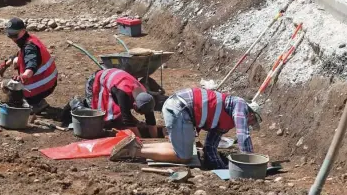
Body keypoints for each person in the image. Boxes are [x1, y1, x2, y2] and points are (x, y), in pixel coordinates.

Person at [110, 88, 262, 170]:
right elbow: (243, 136)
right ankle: (134, 150)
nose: (249, 123)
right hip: (180, 109)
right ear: (251, 113)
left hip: (179, 108)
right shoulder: (240, 105)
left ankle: (138, 144)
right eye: (252, 120)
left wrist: (220, 167)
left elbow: (210, 147)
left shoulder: (226, 120)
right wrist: (251, 164)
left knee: (181, 147)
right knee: (184, 156)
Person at [63, 68, 158, 138]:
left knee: (116, 117)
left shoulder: (146, 98)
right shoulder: (123, 94)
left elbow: (151, 121)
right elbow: (127, 119)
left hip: (115, 82)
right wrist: (140, 139)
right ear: (134, 105)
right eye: (140, 112)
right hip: (97, 80)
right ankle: (76, 103)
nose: (141, 114)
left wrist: (155, 139)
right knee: (96, 115)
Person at [0, 17, 58, 114]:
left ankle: (34, 103)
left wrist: (24, 76)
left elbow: (31, 63)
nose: (12, 38)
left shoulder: (29, 47)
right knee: (16, 62)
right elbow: (19, 56)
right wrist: (6, 64)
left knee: (6, 85)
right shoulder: (30, 40)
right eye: (10, 35)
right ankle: (35, 101)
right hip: (49, 82)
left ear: (23, 31)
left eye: (14, 35)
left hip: (41, 86)